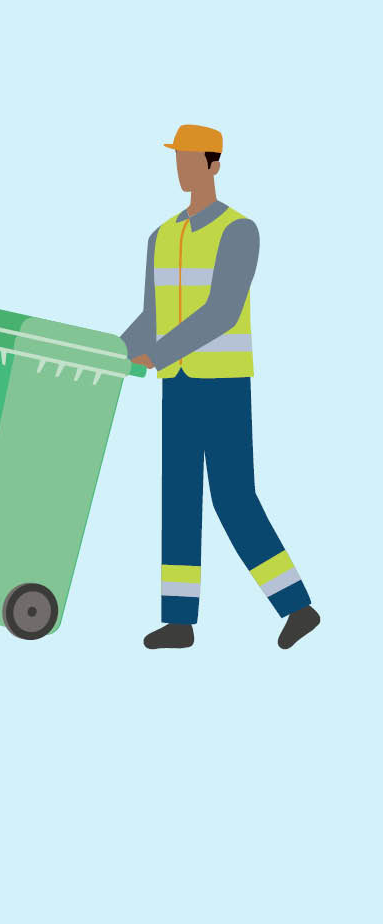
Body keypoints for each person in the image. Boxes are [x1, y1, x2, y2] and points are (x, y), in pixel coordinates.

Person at [122, 124, 320, 650]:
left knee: (234, 497)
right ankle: (179, 621)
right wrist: (115, 352)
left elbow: (223, 310)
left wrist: (159, 351)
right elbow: (151, 315)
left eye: (191, 159)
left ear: (213, 165)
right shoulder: (160, 236)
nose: (183, 167)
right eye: (178, 158)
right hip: (178, 385)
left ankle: (297, 606)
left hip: (224, 385)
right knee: (178, 499)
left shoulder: (240, 230)